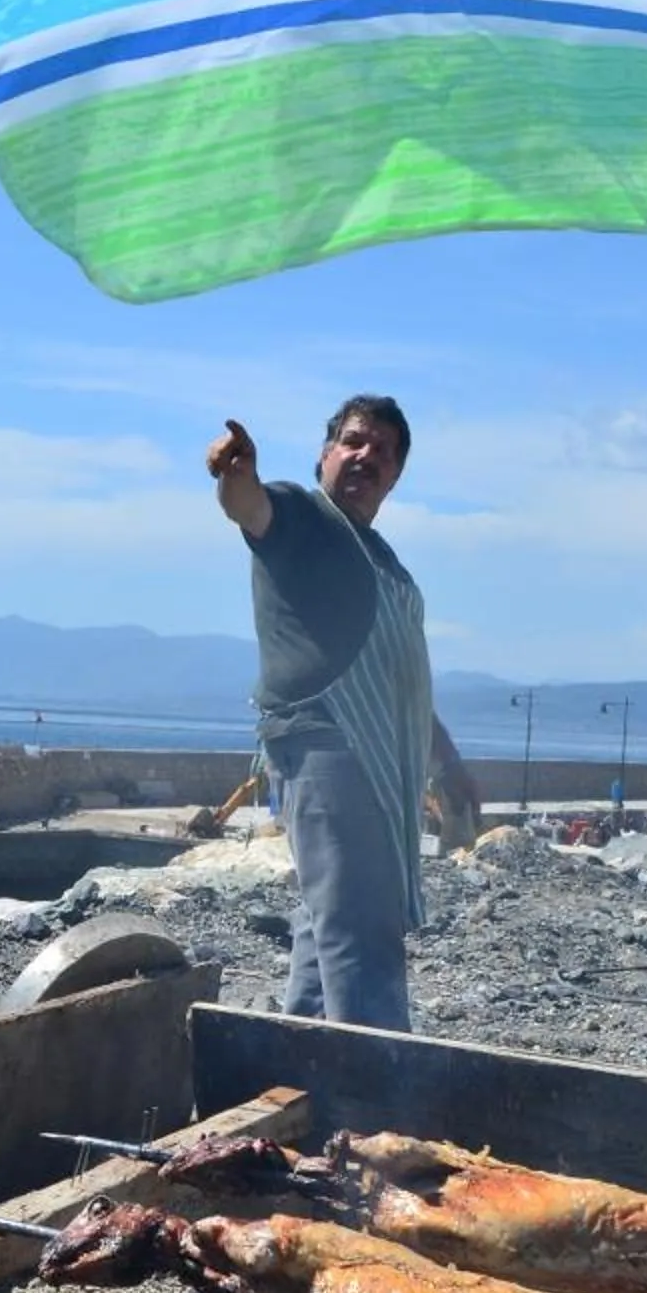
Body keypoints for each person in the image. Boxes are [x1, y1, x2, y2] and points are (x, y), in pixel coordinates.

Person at [207, 396, 476, 1032]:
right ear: (326, 452)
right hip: (326, 747)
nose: (367, 456)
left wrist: (448, 761)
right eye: (355, 441)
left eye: (384, 451)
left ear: (397, 476)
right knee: (362, 938)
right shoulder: (302, 514)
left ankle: (297, 1075)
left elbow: (401, 679)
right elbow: (248, 507)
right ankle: (374, 1101)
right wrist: (233, 473)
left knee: (324, 928)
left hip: (381, 765)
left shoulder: (384, 559)